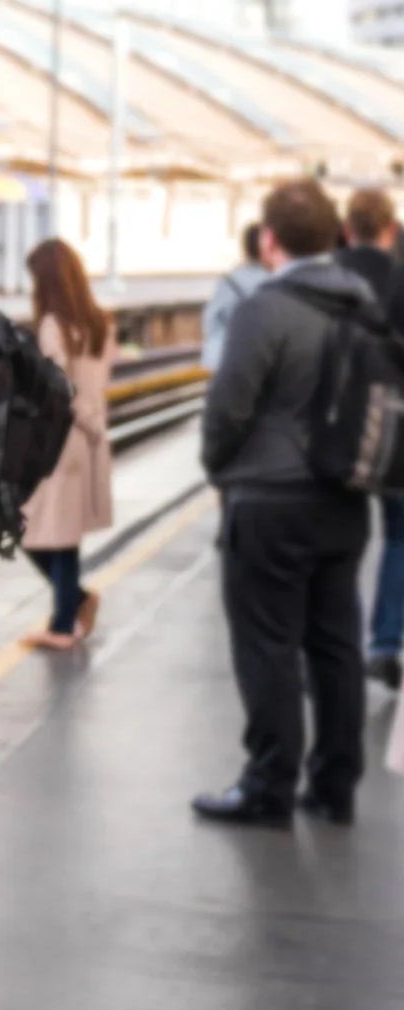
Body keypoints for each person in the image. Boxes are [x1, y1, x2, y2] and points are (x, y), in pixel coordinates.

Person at [192, 179, 375, 827]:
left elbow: (228, 409)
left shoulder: (264, 310)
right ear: (335, 237)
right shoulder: (362, 301)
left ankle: (268, 786)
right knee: (335, 645)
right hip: (345, 501)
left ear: (269, 241)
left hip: (269, 500)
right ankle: (335, 785)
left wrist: (219, 469)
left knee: (268, 645)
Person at [17, 239, 115, 652]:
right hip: (90, 441)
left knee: (29, 529)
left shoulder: (53, 326)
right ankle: (70, 610)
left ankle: (66, 615)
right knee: (65, 533)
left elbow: (60, 388)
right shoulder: (100, 323)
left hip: (61, 440)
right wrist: (94, 425)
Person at [337, 188, 404, 689]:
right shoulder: (402, 278)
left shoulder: (326, 278)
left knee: (340, 538)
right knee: (400, 538)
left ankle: (335, 644)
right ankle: (383, 644)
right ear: (390, 230)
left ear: (346, 229)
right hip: (399, 435)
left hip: (336, 431)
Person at [202, 223, 269, 373]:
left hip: (223, 361)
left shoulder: (229, 281)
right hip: (261, 364)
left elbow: (211, 321)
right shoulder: (278, 282)